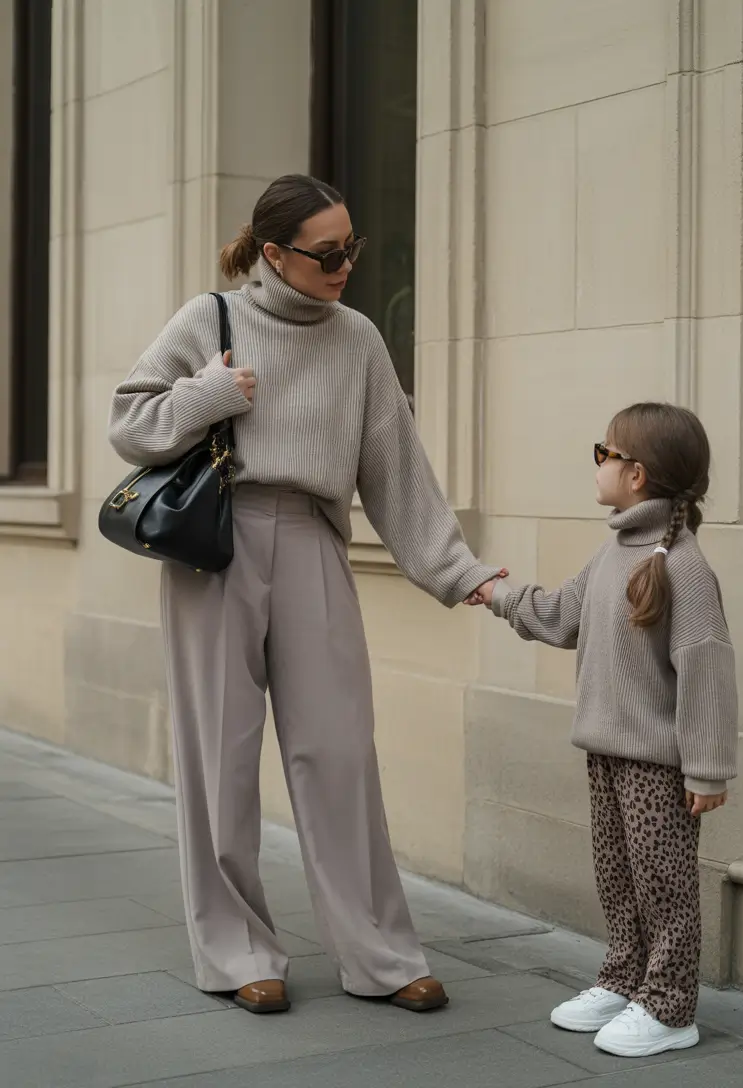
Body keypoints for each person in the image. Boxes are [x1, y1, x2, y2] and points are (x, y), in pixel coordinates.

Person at [107, 174, 505, 1015]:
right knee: (219, 755)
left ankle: (380, 954)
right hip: (215, 542)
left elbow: (396, 468)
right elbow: (128, 424)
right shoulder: (207, 318)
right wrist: (207, 394)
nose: (345, 264)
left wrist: (456, 570)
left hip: (315, 543)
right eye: (328, 253)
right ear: (274, 253)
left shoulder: (357, 337)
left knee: (339, 752)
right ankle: (236, 949)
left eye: (351, 247)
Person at [469, 403, 738, 1059]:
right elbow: (562, 616)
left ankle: (670, 1008)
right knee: (618, 878)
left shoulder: (684, 567)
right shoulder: (615, 551)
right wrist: (499, 594)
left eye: (604, 454)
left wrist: (706, 768)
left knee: (663, 884)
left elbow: (706, 668)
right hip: (605, 754)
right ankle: (625, 980)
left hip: (658, 765)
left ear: (637, 474)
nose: (597, 464)